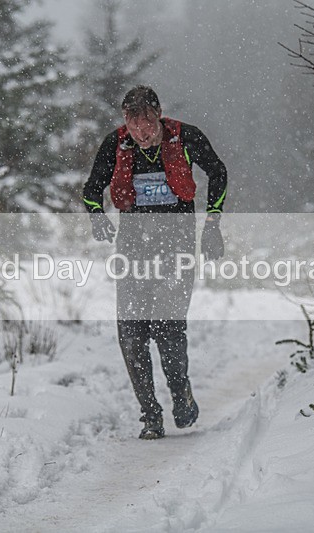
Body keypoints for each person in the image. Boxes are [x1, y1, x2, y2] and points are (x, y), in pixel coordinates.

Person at [83, 85, 228, 439]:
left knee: (167, 328)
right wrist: (97, 215)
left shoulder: (186, 137)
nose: (142, 134)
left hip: (176, 244)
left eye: (147, 125)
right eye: (134, 128)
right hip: (132, 247)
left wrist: (212, 224)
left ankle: (181, 395)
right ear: (125, 124)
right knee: (131, 335)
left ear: (158, 115)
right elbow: (91, 189)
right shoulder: (116, 144)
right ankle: (150, 415)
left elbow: (218, 172)